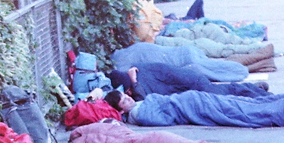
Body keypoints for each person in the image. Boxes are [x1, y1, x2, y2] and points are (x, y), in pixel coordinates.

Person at [104, 88, 284, 128]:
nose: (129, 100)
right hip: (191, 105)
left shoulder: (138, 106)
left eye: (126, 97)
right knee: (236, 109)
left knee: (236, 103)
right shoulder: (139, 113)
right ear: (121, 111)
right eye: (124, 102)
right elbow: (161, 118)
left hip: (191, 100)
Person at [108, 62, 270, 101]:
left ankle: (255, 91)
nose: (129, 94)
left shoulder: (139, 81)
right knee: (223, 91)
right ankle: (253, 89)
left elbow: (142, 99)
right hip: (187, 82)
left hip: (191, 82)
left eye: (128, 90)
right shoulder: (139, 71)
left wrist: (134, 82)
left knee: (222, 94)